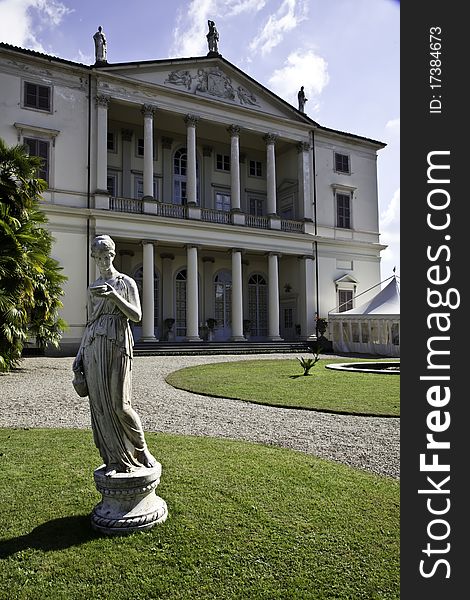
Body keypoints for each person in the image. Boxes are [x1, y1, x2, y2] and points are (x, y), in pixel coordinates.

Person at [72, 235, 156, 476]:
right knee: (100, 405)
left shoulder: (126, 283)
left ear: (112, 255)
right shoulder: (92, 287)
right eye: (96, 258)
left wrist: (114, 297)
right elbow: (91, 322)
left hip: (118, 341)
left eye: (104, 256)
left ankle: (141, 450)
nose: (100, 262)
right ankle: (114, 460)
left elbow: (137, 315)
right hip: (94, 345)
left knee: (120, 405)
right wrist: (79, 355)